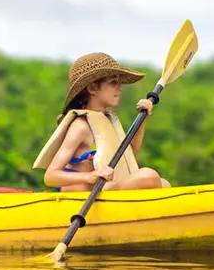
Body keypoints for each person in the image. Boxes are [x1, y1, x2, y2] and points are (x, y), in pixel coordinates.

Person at [32, 52, 170, 192]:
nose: (120, 86)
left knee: (163, 184)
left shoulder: (106, 120)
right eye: (113, 82)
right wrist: (89, 176)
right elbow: (50, 176)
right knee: (149, 176)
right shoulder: (80, 126)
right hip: (81, 197)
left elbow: (129, 156)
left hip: (104, 191)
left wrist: (143, 118)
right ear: (93, 88)